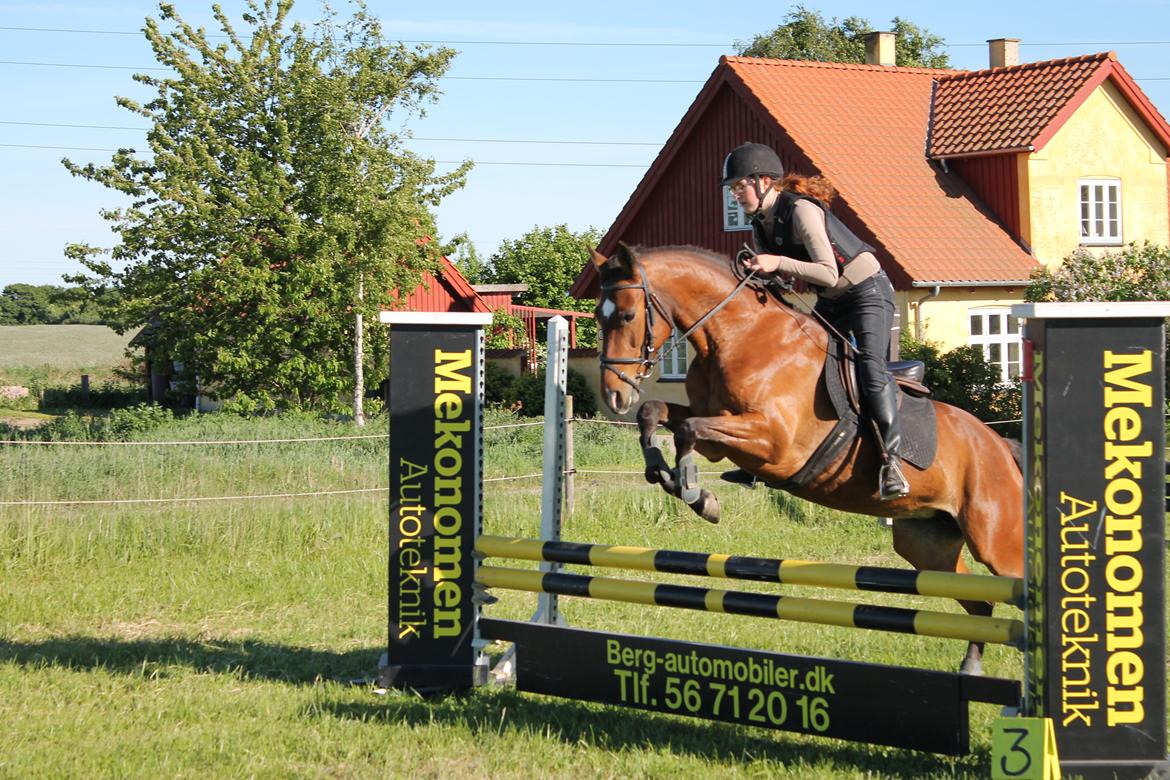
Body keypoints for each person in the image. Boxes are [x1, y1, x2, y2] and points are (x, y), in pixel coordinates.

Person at [721, 142, 910, 500]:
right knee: (793, 361)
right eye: (732, 189)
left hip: (866, 292)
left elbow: (826, 271)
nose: (735, 195)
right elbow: (784, 275)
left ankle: (892, 462)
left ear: (763, 181)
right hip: (832, 300)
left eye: (739, 186)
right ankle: (759, 456)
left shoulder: (803, 210)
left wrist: (775, 262)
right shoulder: (761, 222)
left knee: (870, 370)